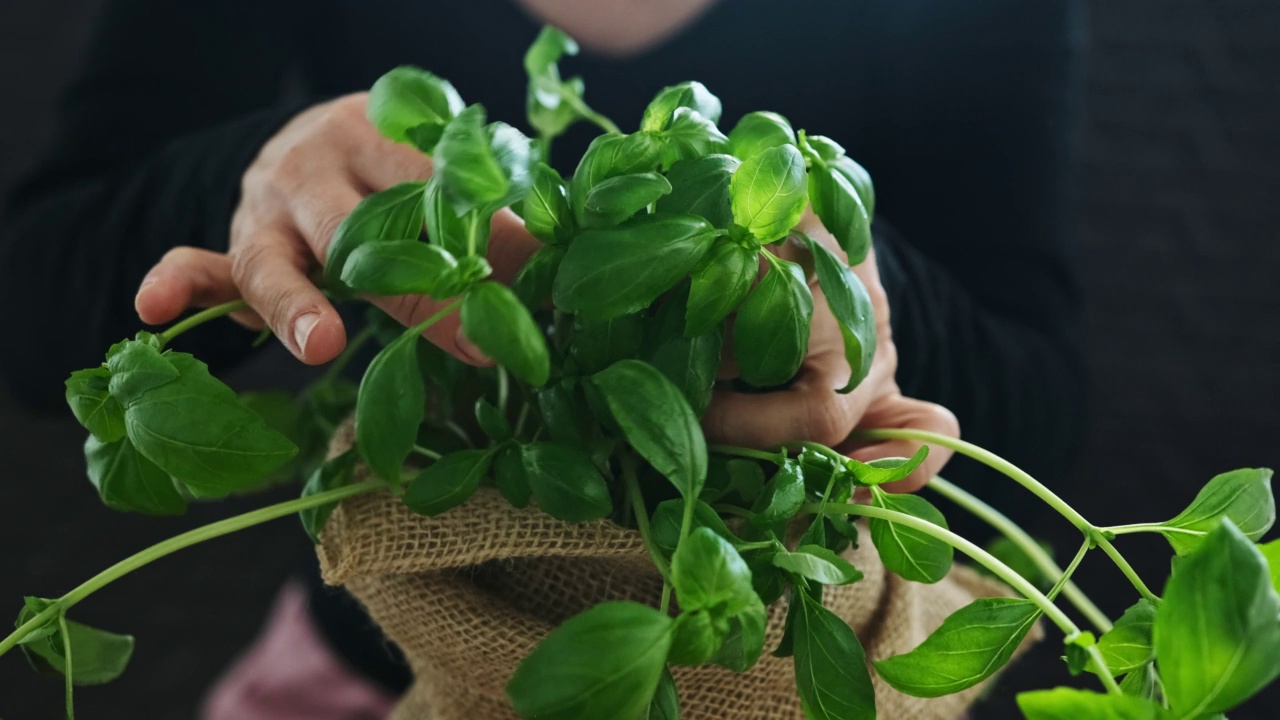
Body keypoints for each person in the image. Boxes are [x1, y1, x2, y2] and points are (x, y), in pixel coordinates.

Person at [0, 0, 1088, 716]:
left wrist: (850, 294)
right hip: (365, 664)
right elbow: (34, 308)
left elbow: (1043, 406)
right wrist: (262, 177)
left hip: (757, 671)